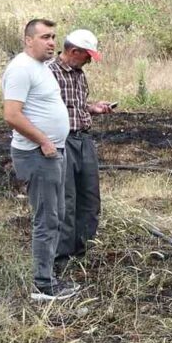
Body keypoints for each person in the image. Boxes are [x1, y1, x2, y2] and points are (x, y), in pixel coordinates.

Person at [3, 18, 79, 301]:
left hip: (52, 151)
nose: (51, 42)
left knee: (56, 214)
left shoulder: (41, 67)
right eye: (45, 37)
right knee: (47, 219)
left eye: (53, 37)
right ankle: (43, 285)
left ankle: (48, 276)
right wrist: (45, 141)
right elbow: (11, 115)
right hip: (39, 153)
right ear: (28, 40)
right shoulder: (21, 69)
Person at [48, 29, 112, 275]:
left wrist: (92, 108)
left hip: (83, 139)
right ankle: (61, 258)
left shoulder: (78, 74)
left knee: (90, 197)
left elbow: (75, 103)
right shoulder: (49, 74)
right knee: (67, 199)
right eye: (87, 56)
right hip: (62, 141)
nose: (88, 61)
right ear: (74, 52)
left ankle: (82, 250)